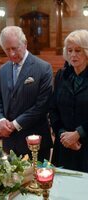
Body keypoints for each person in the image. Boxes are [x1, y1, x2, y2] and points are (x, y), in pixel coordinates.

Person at [0, 26, 53, 161]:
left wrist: (15, 124)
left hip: (34, 140)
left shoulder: (43, 68)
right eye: (7, 50)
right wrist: (0, 120)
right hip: (10, 141)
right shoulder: (3, 70)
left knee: (37, 180)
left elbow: (41, 106)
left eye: (15, 48)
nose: (11, 53)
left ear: (24, 44)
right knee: (10, 181)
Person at [49, 29, 88, 172]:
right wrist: (62, 134)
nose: (73, 55)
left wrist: (78, 133)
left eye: (78, 50)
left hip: (85, 145)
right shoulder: (61, 75)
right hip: (63, 144)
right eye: (70, 50)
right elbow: (53, 109)